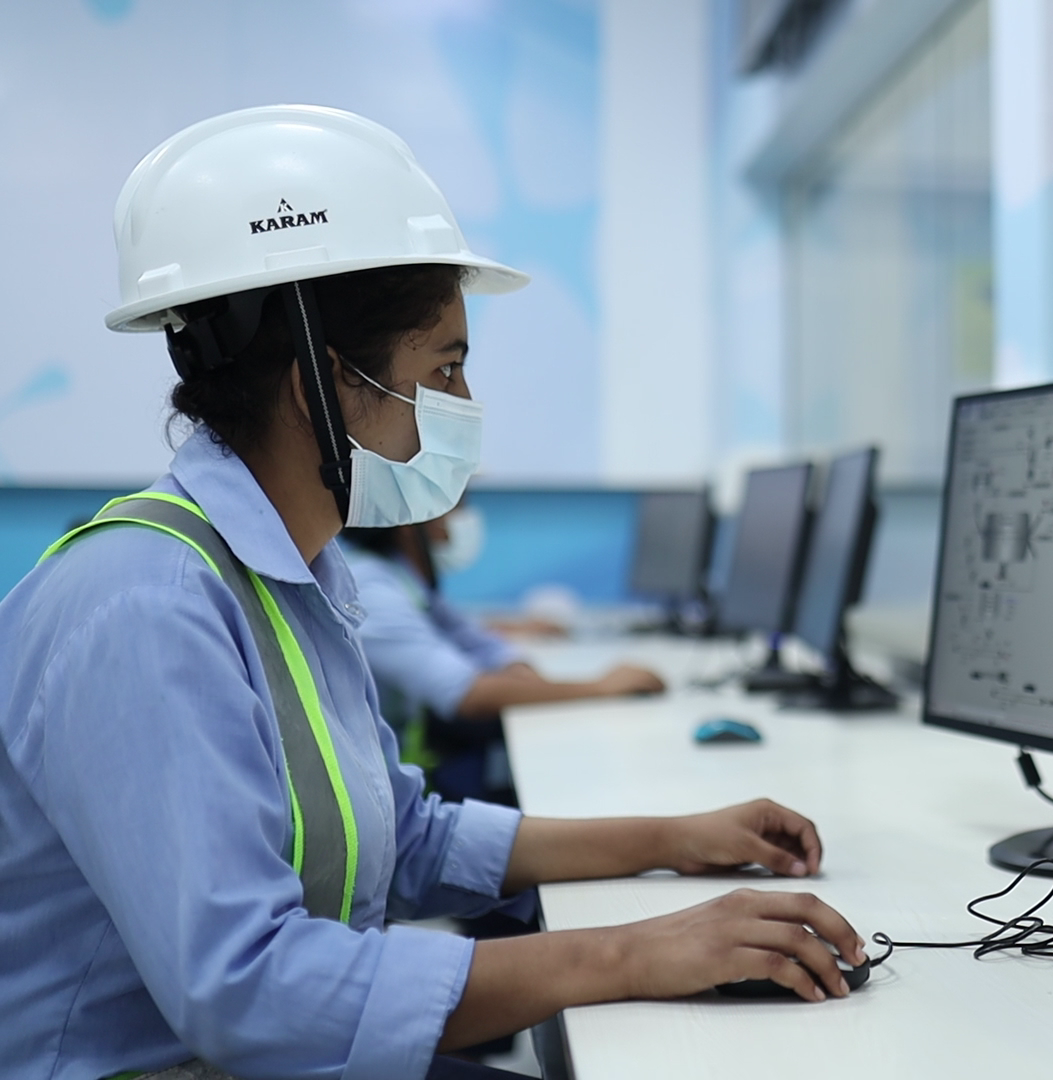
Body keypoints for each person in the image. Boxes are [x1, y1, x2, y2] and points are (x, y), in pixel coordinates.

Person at [0, 106, 863, 1080]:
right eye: (443, 367)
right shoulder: (143, 607)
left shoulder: (287, 576)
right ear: (322, 383)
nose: (461, 407)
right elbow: (247, 993)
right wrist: (630, 953)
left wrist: (674, 840)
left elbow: (404, 838)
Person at [341, 514, 664, 804]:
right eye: (455, 505)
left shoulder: (403, 578)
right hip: (395, 795)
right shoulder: (371, 588)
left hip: (418, 768)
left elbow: (477, 641)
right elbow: (466, 694)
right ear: (410, 524)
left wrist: (518, 672)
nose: (462, 520)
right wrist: (600, 687)